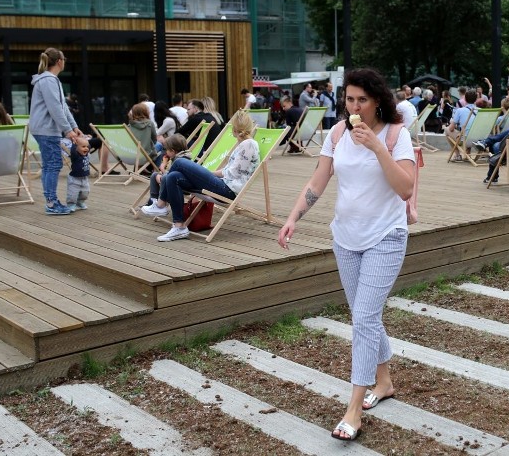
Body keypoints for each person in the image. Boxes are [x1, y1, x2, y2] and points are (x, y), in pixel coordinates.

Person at [277, 68, 415, 442]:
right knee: (364, 316)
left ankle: (353, 410)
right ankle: (383, 382)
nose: (355, 106)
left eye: (363, 100)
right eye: (350, 99)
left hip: (385, 238)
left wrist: (377, 147)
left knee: (364, 319)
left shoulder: (395, 135)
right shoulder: (336, 134)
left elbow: (405, 189)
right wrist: (293, 218)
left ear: (377, 101)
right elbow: (318, 181)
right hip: (345, 239)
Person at [141, 111, 260, 242]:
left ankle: (161, 204)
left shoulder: (249, 144)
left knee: (180, 162)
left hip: (227, 190)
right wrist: (207, 173)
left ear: (235, 128)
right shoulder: (243, 144)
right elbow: (230, 170)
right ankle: (179, 226)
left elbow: (233, 173)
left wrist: (207, 174)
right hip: (223, 184)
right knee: (174, 176)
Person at [29, 48, 82, 215]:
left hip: (44, 128)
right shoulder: (49, 81)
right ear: (59, 61)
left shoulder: (50, 80)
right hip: (46, 129)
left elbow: (63, 107)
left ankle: (51, 201)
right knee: (53, 165)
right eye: (64, 58)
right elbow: (55, 109)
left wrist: (73, 127)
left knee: (49, 165)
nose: (64, 61)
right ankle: (51, 204)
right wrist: (68, 130)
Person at [145, 133, 192, 208]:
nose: (166, 151)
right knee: (154, 175)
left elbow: (173, 175)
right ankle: (153, 200)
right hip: (173, 180)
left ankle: (161, 203)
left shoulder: (181, 160)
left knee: (164, 177)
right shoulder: (177, 157)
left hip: (180, 185)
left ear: (173, 151)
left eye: (166, 149)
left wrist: (163, 168)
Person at [63, 136, 91, 211]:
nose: (86, 148)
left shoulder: (87, 154)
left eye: (87, 147)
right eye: (83, 147)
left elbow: (88, 146)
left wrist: (85, 140)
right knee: (73, 194)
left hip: (84, 179)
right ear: (76, 148)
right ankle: (71, 204)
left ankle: (80, 202)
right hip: (74, 179)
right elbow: (73, 150)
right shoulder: (75, 156)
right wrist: (74, 143)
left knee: (85, 193)